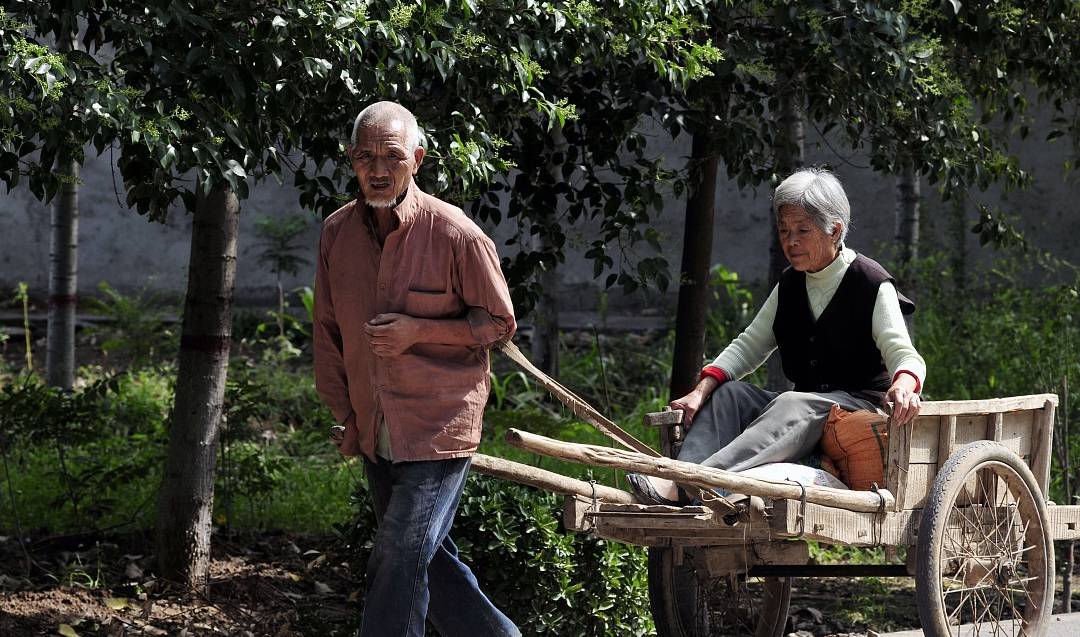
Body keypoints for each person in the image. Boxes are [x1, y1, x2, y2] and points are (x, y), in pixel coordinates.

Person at [313, 101, 520, 637]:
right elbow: (327, 333)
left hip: (438, 425)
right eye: (365, 158)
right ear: (352, 161)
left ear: (418, 161)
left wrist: (419, 329)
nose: (378, 170)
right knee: (426, 562)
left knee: (399, 555)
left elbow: (498, 323)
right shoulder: (337, 233)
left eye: (392, 157)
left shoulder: (455, 234)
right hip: (375, 425)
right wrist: (347, 414)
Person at [627, 167, 925, 505]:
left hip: (858, 404)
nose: (790, 241)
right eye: (784, 230)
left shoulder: (870, 281)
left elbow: (904, 353)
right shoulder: (792, 283)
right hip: (804, 407)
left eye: (802, 230)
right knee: (730, 395)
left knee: (790, 401)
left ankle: (692, 485)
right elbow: (749, 345)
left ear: (835, 231)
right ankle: (679, 477)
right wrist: (701, 391)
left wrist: (904, 384)